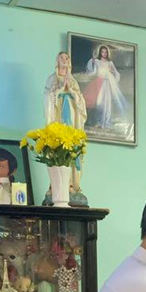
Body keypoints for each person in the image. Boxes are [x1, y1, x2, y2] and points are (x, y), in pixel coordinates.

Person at [44, 51, 87, 194]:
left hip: (72, 120)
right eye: (62, 57)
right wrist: (61, 89)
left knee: (72, 149)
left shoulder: (73, 81)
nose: (65, 60)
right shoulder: (52, 79)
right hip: (58, 118)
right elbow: (48, 98)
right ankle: (57, 185)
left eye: (67, 58)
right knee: (57, 149)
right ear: (57, 60)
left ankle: (72, 183)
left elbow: (80, 102)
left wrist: (72, 92)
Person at [84, 45, 128, 129]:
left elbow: (116, 73)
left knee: (108, 104)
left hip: (108, 84)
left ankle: (106, 122)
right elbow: (94, 72)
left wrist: (113, 77)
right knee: (99, 102)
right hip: (100, 83)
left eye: (105, 52)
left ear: (107, 53)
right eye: (102, 52)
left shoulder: (110, 63)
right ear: (100, 52)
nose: (104, 53)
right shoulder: (97, 61)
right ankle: (99, 121)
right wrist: (91, 62)